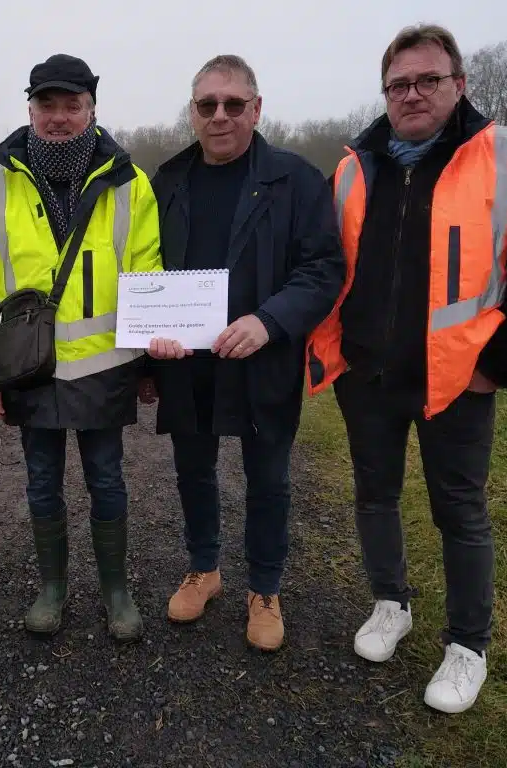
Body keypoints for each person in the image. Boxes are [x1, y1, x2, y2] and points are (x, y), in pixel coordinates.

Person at [307, 24, 507, 713]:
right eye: (399, 84)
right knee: (373, 496)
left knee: (460, 511)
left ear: (459, 85)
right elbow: (329, 264)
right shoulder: (355, 167)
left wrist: (497, 368)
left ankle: (467, 645)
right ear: (385, 94)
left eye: (428, 80)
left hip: (456, 378)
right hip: (366, 375)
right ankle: (391, 603)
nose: (412, 93)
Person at [0, 54, 163, 642]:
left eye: (73, 105)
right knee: (41, 482)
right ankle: (53, 588)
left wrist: (148, 366)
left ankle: (116, 591)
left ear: (92, 108)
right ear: (30, 109)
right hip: (27, 369)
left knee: (108, 480)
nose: (60, 117)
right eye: (49, 105)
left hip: (106, 370)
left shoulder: (130, 183)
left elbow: (146, 275)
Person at [144, 55, 346, 652]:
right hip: (187, 360)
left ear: (257, 109)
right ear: (193, 112)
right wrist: (149, 346)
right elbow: (143, 271)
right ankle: (204, 569)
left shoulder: (297, 179)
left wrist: (270, 321)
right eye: (207, 104)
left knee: (267, 478)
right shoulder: (166, 181)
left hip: (263, 357)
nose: (220, 115)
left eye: (234, 104)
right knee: (193, 471)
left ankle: (265, 587)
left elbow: (323, 268)